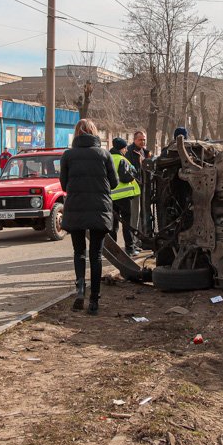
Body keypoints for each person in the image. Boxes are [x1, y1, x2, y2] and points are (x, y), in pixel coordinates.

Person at [60, 119, 117, 315]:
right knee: (96, 255)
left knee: (79, 252)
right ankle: (94, 300)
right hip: (99, 209)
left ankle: (80, 289)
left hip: (75, 207)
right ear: (94, 132)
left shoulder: (68, 155)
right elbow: (115, 183)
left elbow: (63, 185)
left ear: (77, 133)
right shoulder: (104, 154)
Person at [109, 137, 141, 255]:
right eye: (125, 148)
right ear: (121, 148)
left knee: (113, 225)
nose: (126, 150)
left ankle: (113, 250)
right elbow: (127, 177)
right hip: (124, 197)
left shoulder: (107, 158)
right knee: (127, 224)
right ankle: (130, 249)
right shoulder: (123, 160)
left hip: (110, 197)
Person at [125, 130, 150, 241]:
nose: (143, 141)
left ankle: (140, 239)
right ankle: (133, 240)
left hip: (144, 187)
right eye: (140, 139)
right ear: (134, 140)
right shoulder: (129, 152)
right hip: (134, 188)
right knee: (134, 215)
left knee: (142, 214)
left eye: (144, 139)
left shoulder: (144, 152)